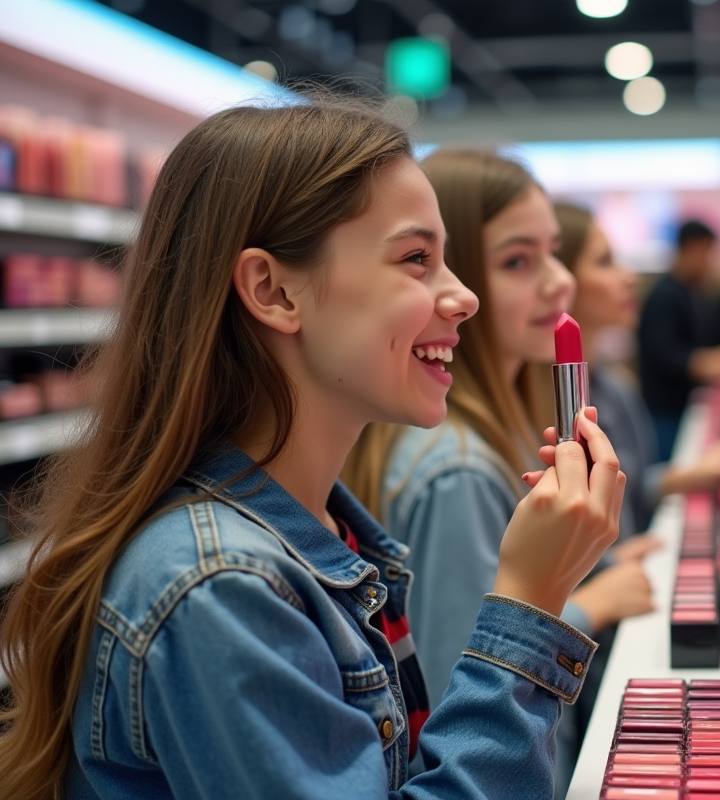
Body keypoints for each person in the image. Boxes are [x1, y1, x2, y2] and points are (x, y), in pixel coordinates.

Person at [0, 100, 626, 800]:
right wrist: (528, 605)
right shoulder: (219, 586)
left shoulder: (331, 542)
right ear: (272, 290)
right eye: (417, 259)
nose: (463, 298)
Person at [340, 150, 654, 798]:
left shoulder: (502, 432)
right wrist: (582, 604)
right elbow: (469, 696)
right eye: (518, 261)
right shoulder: (456, 469)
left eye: (555, 252)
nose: (559, 282)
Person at [555, 202, 720, 540]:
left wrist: (688, 475)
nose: (630, 276)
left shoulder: (613, 386)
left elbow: (629, 485)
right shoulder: (666, 296)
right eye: (605, 262)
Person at [637, 219, 720, 460]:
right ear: (691, 248)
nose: (709, 262)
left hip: (677, 406)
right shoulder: (665, 294)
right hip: (664, 409)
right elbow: (662, 353)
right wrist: (703, 363)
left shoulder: (687, 291)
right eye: (707, 252)